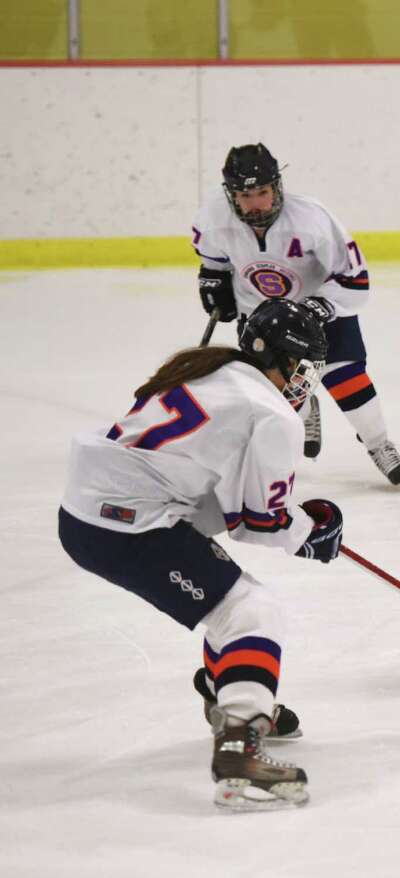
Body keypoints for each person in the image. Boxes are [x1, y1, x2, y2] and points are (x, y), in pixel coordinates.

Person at [58, 298, 345, 811]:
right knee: (251, 611)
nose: (305, 380)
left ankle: (230, 686)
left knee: (230, 603)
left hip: (94, 508)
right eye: (302, 367)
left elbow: (227, 509)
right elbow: (260, 525)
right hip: (127, 522)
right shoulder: (272, 412)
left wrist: (297, 522)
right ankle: (239, 750)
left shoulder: (212, 370)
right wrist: (310, 532)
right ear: (280, 358)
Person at [191, 143, 400, 484]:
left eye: (262, 192)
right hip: (259, 315)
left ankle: (379, 445)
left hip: (322, 310)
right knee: (277, 390)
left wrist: (319, 306)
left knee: (347, 378)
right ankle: (307, 410)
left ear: (277, 186)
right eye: (244, 196)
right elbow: (213, 261)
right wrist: (214, 282)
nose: (255, 204)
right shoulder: (212, 220)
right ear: (230, 195)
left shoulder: (312, 220)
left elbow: (355, 279)